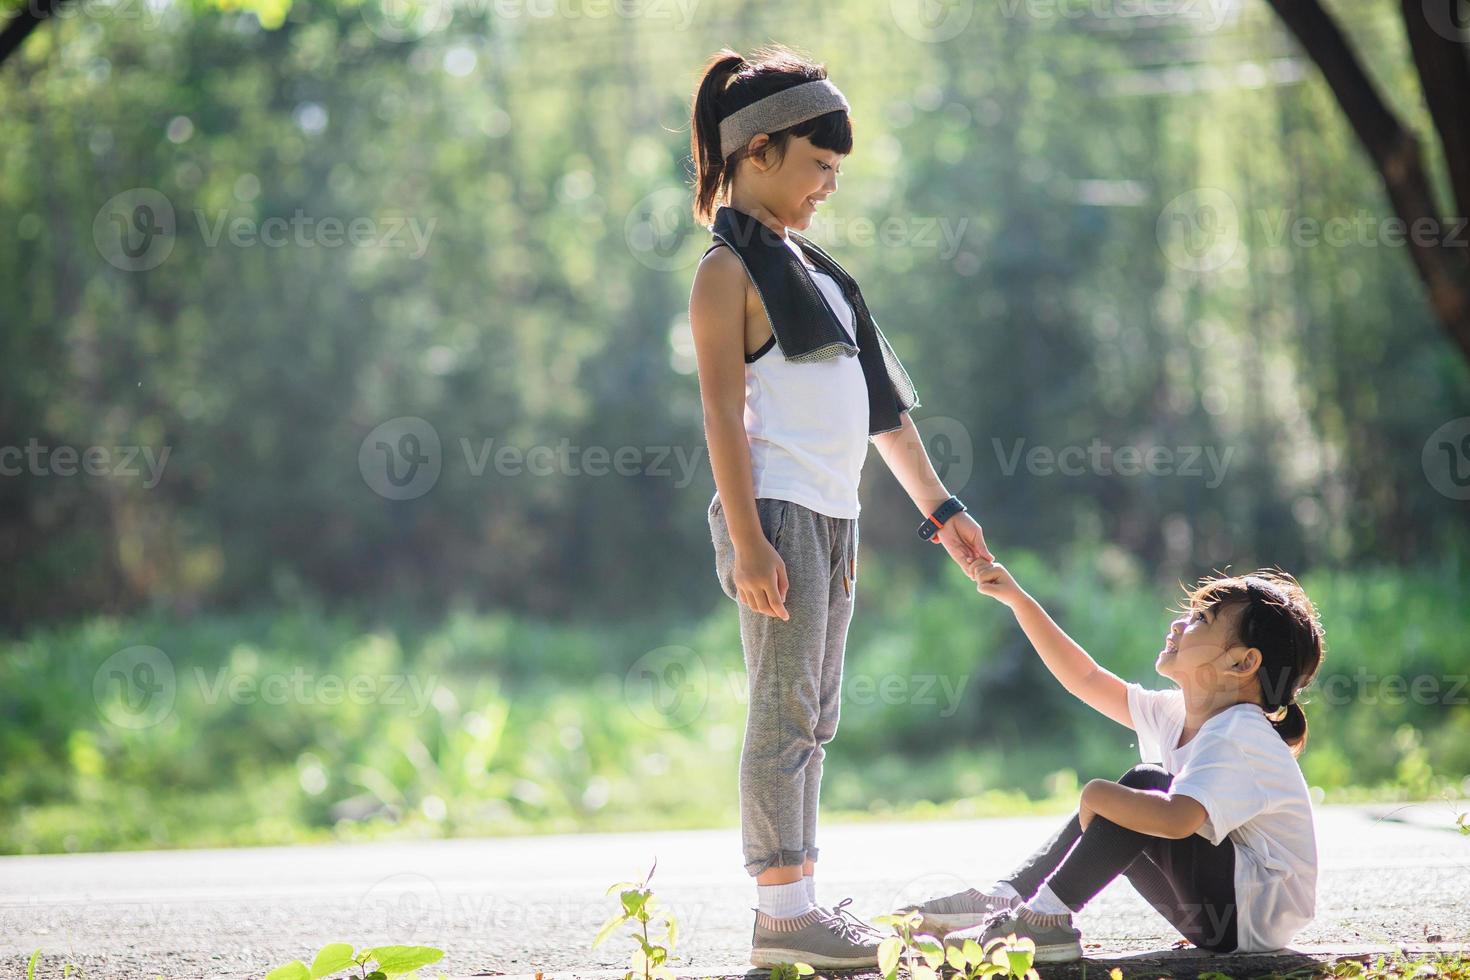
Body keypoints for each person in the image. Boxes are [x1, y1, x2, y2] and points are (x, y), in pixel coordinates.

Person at [687, 44, 992, 969]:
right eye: (818, 165)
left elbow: (880, 413)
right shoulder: (725, 273)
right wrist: (746, 541)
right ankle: (783, 916)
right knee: (782, 714)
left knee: (815, 717)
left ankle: (803, 897)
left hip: (834, 518)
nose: (828, 185)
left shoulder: (820, 274)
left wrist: (944, 511)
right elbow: (722, 417)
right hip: (775, 516)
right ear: (759, 150)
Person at [910, 564, 1324, 962]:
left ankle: (1047, 917)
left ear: (1243, 662)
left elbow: (1178, 820)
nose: (1179, 623)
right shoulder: (1177, 713)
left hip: (1248, 916)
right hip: (1219, 916)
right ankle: (1009, 898)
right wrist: (1019, 600)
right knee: (1139, 792)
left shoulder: (1239, 732)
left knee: (1143, 787)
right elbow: (1086, 678)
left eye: (1202, 619)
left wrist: (1096, 795)